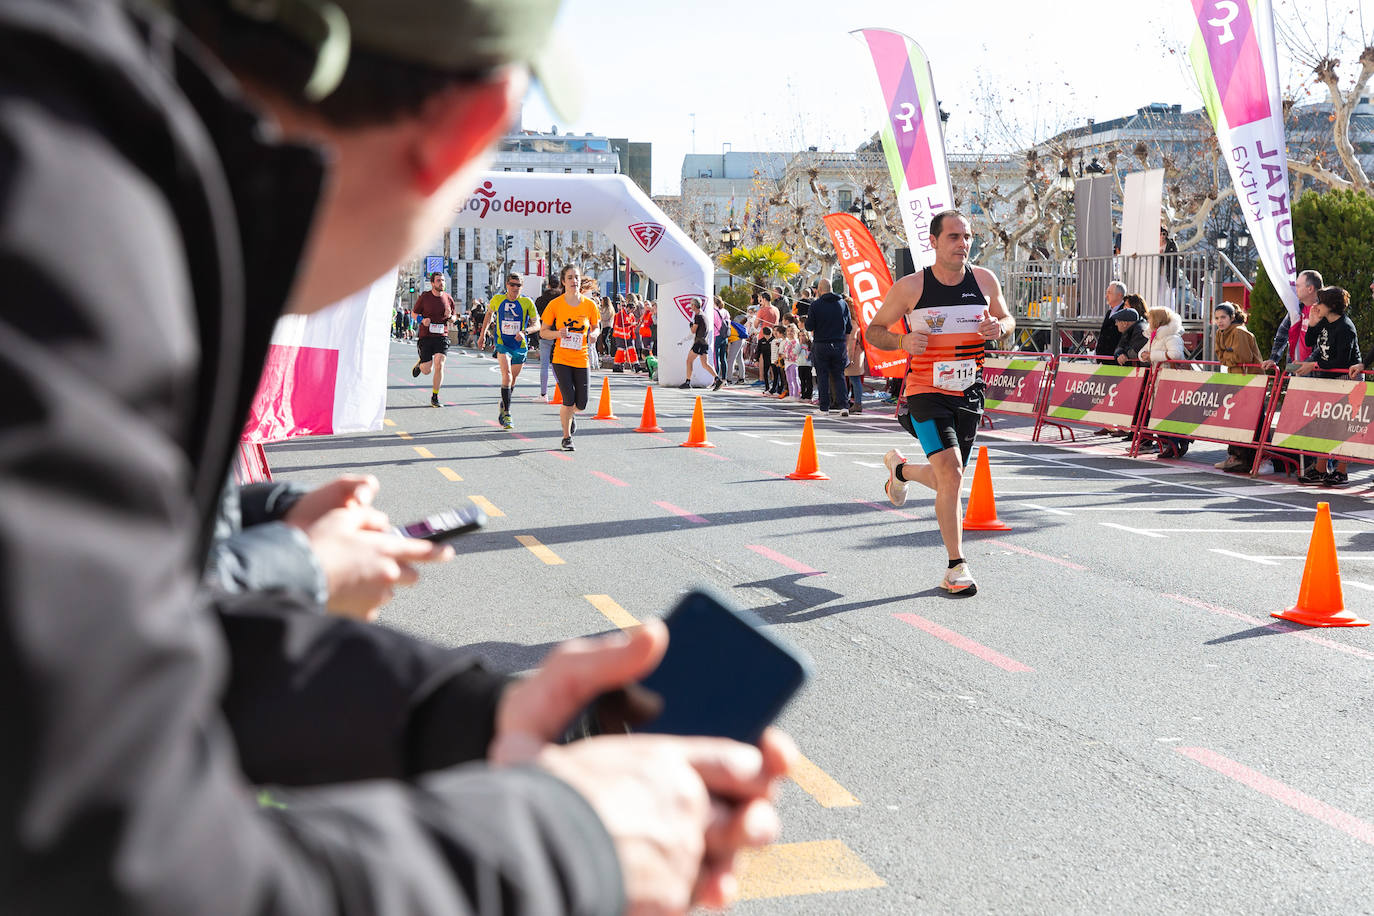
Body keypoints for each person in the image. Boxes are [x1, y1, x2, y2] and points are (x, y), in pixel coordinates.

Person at [0, 1, 793, 912]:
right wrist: (563, 844)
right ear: (466, 133)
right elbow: (104, 857)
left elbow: (116, 651)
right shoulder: (73, 244)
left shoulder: (87, 168)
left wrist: (468, 718)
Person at [864, 211, 1014, 597]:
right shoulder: (912, 287)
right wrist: (901, 342)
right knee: (951, 470)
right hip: (925, 392)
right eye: (953, 237)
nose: (962, 243)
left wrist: (1001, 328)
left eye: (966, 236)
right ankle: (956, 566)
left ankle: (900, 472)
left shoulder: (984, 280)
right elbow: (874, 331)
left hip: (969, 393)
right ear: (933, 241)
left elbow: (1007, 318)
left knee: (950, 477)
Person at [1295, 286, 1362, 486]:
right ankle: (1320, 468)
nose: (1316, 305)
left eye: (1320, 302)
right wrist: (1313, 323)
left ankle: (1341, 471)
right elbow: (1309, 341)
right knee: (1324, 424)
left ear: (1331, 305)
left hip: (1346, 380)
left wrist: (1314, 365)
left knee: (1343, 427)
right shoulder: (1324, 321)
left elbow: (1342, 361)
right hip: (1328, 379)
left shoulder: (1346, 327)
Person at [541, 265, 601, 450]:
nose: (574, 281)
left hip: (582, 358)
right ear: (563, 281)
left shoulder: (589, 304)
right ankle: (566, 437)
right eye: (570, 278)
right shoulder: (555, 304)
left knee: (581, 404)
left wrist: (594, 335)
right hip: (561, 359)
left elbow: (597, 326)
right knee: (568, 399)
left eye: (576, 277)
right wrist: (558, 334)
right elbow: (543, 332)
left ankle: (570, 415)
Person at [478, 273, 541, 428]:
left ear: (522, 286)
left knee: (512, 379)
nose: (514, 288)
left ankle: (504, 403)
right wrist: (482, 335)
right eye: (512, 284)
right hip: (502, 344)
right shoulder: (498, 299)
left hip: (519, 346)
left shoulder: (527, 302)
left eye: (518, 285)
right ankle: (507, 413)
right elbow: (488, 314)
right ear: (507, 285)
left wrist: (525, 332)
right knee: (506, 375)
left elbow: (537, 324)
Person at [1211, 303, 1264, 472]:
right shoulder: (1220, 333)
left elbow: (1243, 357)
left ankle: (1248, 458)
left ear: (1232, 317)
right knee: (1235, 420)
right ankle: (1235, 456)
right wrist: (1230, 354)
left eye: (1223, 317)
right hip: (1235, 379)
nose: (1220, 321)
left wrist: (1229, 355)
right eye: (1217, 318)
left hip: (1250, 381)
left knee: (1249, 421)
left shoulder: (1239, 331)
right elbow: (1221, 357)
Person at [805, 278, 853, 414]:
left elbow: (809, 326)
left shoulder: (816, 305)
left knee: (823, 376)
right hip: (839, 344)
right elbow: (848, 327)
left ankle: (824, 407)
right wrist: (846, 346)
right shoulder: (843, 304)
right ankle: (844, 406)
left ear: (819, 290)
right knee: (839, 376)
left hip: (822, 344)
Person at [1261, 269, 1322, 371]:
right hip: (1294, 369)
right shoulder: (1296, 308)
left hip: (1315, 372)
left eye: (1298, 286)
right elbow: (1282, 334)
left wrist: (1308, 364)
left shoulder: (1324, 310)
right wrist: (1273, 359)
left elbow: (1325, 344)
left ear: (1310, 289)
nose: (1294, 289)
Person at [412, 271, 456, 407]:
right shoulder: (425, 297)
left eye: (443, 280)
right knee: (427, 370)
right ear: (432, 283)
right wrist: (421, 319)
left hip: (441, 336)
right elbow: (414, 313)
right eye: (438, 280)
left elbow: (454, 317)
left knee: (440, 363)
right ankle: (421, 364)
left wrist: (451, 317)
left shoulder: (448, 298)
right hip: (426, 336)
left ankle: (435, 396)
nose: (441, 283)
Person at [681, 299, 725, 390]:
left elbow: (693, 331)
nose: (690, 307)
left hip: (699, 343)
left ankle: (688, 382)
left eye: (691, 305)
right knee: (705, 364)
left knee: (689, 361)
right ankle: (718, 379)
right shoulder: (703, 315)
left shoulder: (698, 316)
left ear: (694, 306)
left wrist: (691, 326)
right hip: (704, 342)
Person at [534, 277, 562, 397]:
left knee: (544, 365)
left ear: (548, 285)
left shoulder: (540, 300)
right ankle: (562, 391)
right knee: (559, 365)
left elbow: (536, 318)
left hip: (545, 332)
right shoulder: (562, 299)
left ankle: (543, 393)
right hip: (559, 334)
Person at [1094, 281, 1129, 359]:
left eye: (1109, 293)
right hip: (1103, 358)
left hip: (1115, 359)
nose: (1106, 296)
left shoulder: (1125, 312)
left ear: (1119, 295)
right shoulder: (1109, 312)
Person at [844, 324, 868, 416]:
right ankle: (857, 403)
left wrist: (849, 359)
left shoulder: (852, 325)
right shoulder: (858, 324)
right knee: (855, 380)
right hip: (858, 354)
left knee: (854, 380)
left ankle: (857, 403)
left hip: (854, 356)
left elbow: (851, 343)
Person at [727, 310, 748, 383]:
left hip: (736, 341)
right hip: (741, 340)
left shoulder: (732, 324)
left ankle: (728, 379)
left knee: (731, 360)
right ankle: (742, 378)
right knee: (739, 359)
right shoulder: (741, 327)